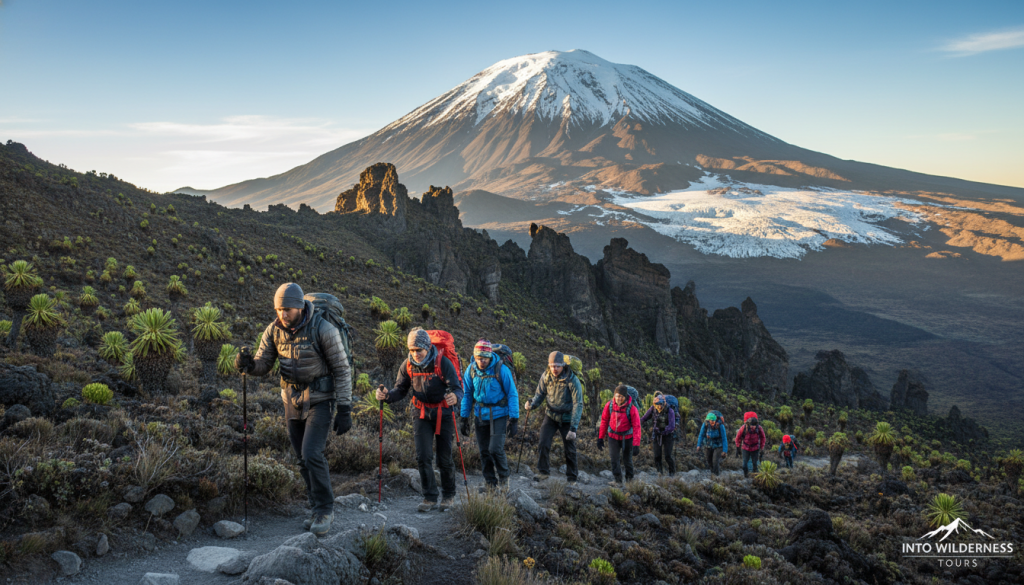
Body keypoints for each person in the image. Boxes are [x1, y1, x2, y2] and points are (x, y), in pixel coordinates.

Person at [235, 282, 352, 537]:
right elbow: (264, 363)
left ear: (299, 307)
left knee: (311, 453)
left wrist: (345, 408)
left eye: (287, 309)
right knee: (300, 457)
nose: (282, 314)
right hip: (291, 398)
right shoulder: (274, 330)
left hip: (320, 398)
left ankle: (325, 510)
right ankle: (315, 508)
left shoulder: (323, 329)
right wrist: (249, 365)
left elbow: (342, 369)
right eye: (279, 309)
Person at [375, 328, 463, 512]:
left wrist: (455, 397)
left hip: (443, 413)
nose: (416, 354)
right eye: (412, 350)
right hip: (421, 413)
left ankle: (449, 495)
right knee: (423, 456)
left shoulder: (442, 362)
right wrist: (387, 396)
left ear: (427, 347)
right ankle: (429, 497)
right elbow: (400, 390)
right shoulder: (407, 365)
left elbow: (457, 388)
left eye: (419, 350)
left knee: (444, 457)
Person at [460, 339, 519, 490]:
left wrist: (514, 419)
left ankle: (504, 479)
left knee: (495, 449)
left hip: (499, 414)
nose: (482, 361)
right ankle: (490, 483)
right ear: (475, 357)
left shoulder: (501, 369)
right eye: (479, 358)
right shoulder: (471, 370)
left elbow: (512, 394)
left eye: (485, 358)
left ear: (490, 356)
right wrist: (464, 417)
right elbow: (467, 394)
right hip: (480, 414)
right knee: (484, 451)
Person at [523, 351, 583, 482]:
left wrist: (573, 428)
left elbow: (578, 404)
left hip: (567, 418)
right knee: (543, 443)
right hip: (550, 415)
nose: (554, 369)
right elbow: (540, 394)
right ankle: (543, 472)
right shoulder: (546, 376)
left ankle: (572, 477)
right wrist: (532, 405)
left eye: (557, 366)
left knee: (569, 448)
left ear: (563, 365)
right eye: (551, 366)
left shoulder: (572, 380)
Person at [597, 385, 641, 485]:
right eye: (617, 396)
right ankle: (618, 481)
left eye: (621, 396)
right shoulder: (609, 405)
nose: (619, 398)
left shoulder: (632, 408)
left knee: (627, 460)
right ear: (614, 395)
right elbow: (604, 421)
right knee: (614, 459)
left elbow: (637, 426)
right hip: (613, 436)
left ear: (625, 397)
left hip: (627, 437)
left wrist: (636, 444)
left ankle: (630, 481)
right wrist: (600, 438)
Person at [640, 392, 676, 476]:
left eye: (661, 404)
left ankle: (672, 473)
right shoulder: (652, 409)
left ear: (664, 403)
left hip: (668, 435)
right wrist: (639, 424)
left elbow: (672, 426)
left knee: (668, 456)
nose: (659, 406)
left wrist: (664, 431)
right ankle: (660, 473)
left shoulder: (670, 410)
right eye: (657, 404)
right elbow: (644, 418)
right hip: (657, 434)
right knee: (657, 456)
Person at [735, 412, 767, 477]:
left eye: (754, 425)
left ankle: (755, 477)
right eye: (752, 425)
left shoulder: (759, 428)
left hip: (755, 448)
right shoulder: (744, 428)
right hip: (745, 448)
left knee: (755, 464)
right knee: (744, 465)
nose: (753, 427)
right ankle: (746, 476)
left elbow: (763, 437)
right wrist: (738, 447)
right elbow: (737, 438)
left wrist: (762, 447)